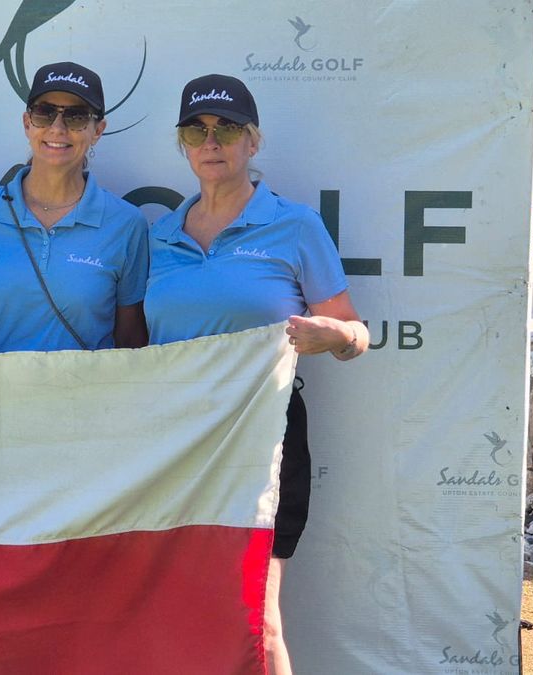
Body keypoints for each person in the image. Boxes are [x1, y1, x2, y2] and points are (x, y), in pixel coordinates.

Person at [143, 74, 368, 675]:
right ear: (183, 144)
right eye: (197, 129)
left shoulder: (294, 226)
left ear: (254, 141)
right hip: (170, 444)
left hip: (262, 439)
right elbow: (134, 346)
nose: (211, 141)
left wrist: (333, 336)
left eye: (227, 129)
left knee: (255, 619)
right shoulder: (158, 235)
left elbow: (355, 331)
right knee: (172, 612)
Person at [0, 61, 149, 352]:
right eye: (45, 113)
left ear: (98, 130)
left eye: (77, 116)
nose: (58, 128)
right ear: (27, 123)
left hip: (85, 396)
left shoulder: (127, 224)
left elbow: (129, 342)